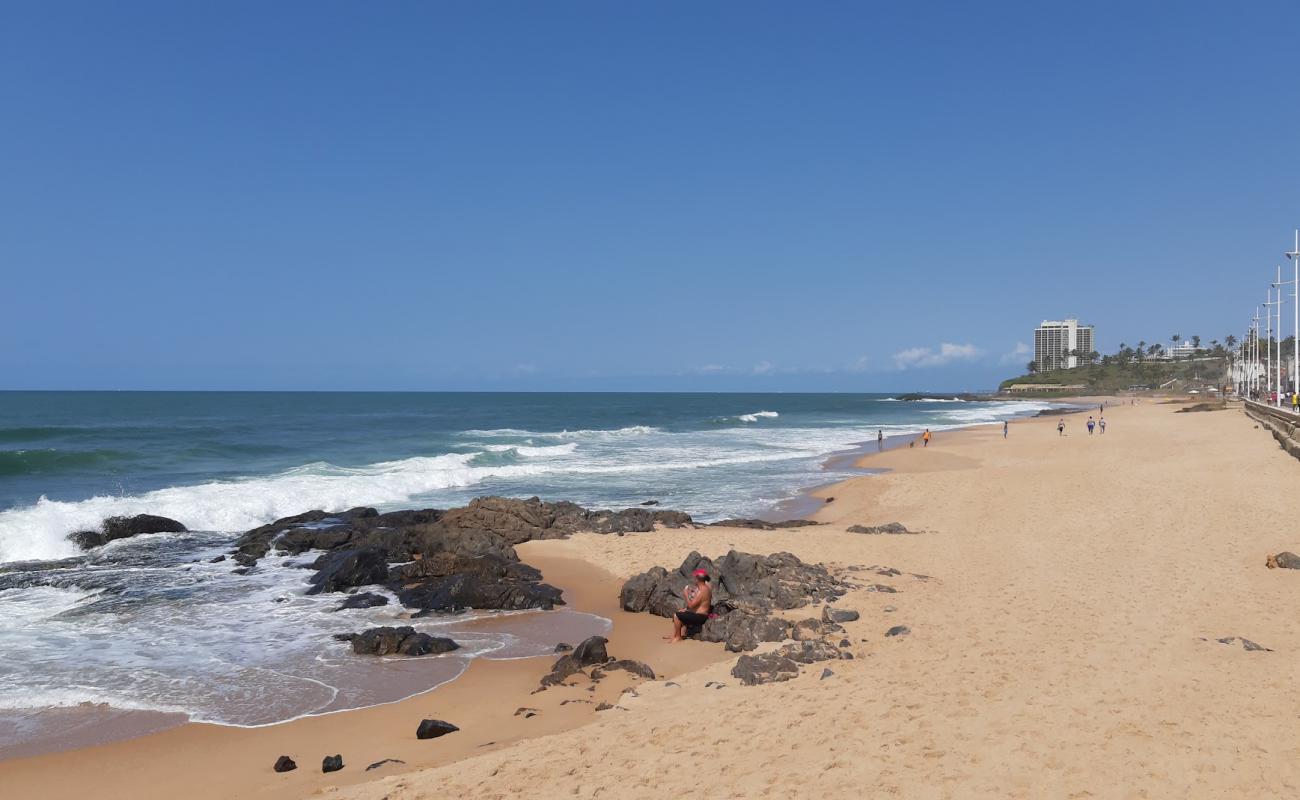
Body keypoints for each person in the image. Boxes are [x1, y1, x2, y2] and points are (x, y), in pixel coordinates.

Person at [669, 568, 712, 643]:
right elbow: (698, 605)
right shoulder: (705, 587)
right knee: (681, 612)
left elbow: (691, 606)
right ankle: (677, 635)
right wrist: (686, 610)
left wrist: (686, 594)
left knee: (676, 615)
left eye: (695, 577)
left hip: (701, 617)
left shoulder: (702, 590)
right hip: (700, 615)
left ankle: (678, 637)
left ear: (697, 579)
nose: (693, 579)